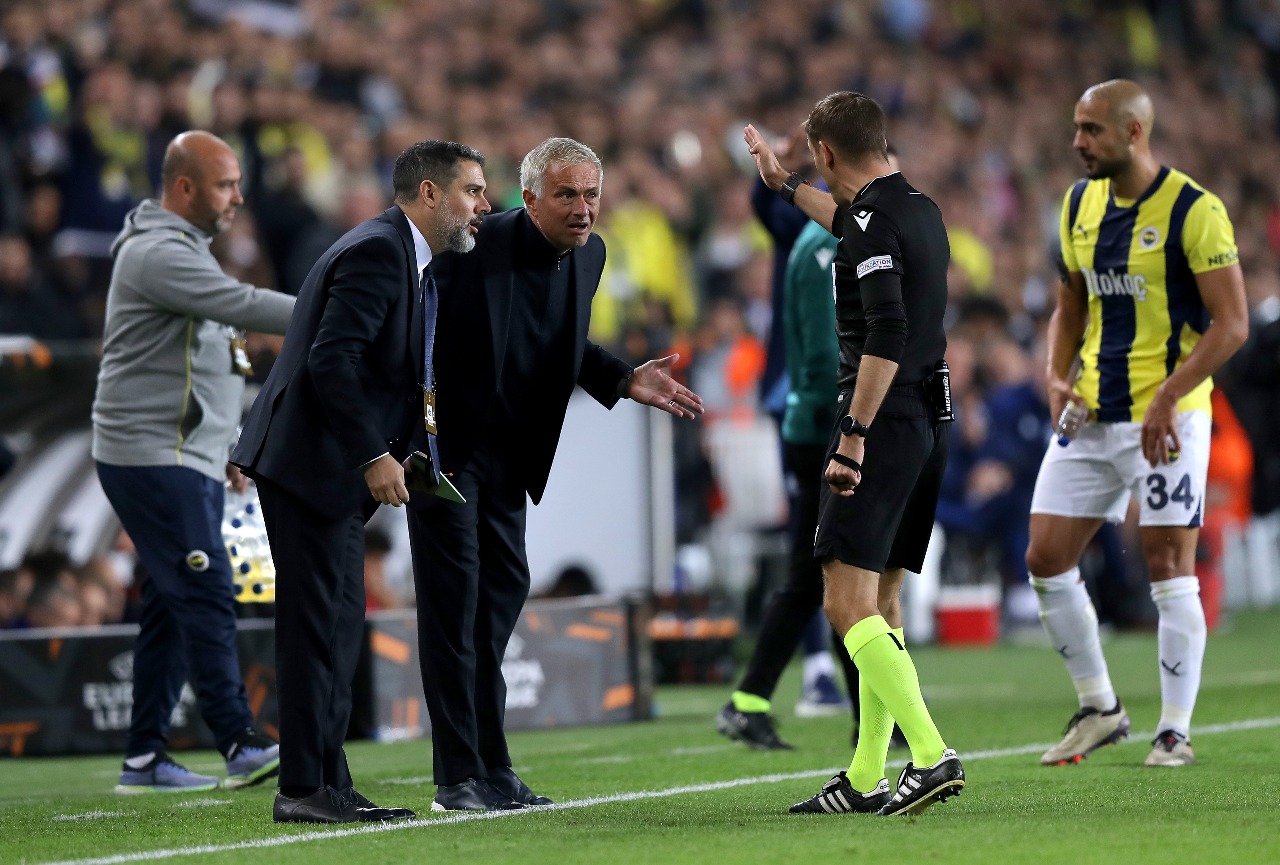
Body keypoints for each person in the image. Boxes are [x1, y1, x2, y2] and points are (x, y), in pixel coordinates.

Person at [408, 137, 703, 813]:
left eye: (591, 194)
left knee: (496, 607)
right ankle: (456, 777)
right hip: (448, 450)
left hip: (509, 459)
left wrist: (622, 378)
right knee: (455, 611)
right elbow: (413, 331)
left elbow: (559, 342)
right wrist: (403, 438)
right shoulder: (470, 244)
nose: (582, 208)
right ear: (530, 196)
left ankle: (494, 767)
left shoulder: (590, 255)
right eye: (566, 195)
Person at [232, 139, 491, 823]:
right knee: (320, 627)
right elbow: (333, 360)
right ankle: (304, 787)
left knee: (337, 626)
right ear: (429, 193)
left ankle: (328, 782)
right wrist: (372, 453)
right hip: (312, 464)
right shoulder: (380, 250)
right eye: (472, 191)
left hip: (321, 466)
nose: (483, 206)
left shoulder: (401, 253)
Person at [744, 92, 965, 817]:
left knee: (843, 601)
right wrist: (781, 185)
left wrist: (853, 434)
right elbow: (847, 222)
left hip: (883, 420)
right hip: (931, 418)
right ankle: (868, 773)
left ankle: (930, 754)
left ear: (828, 151)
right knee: (882, 602)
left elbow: (887, 330)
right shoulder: (917, 208)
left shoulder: (872, 222)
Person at [1025, 79, 1249, 768]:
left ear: (1134, 133)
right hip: (1092, 414)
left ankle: (1174, 729)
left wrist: (1168, 394)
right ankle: (1100, 707)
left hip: (1169, 418)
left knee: (1167, 565)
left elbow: (1232, 325)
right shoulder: (1077, 204)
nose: (1077, 142)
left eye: (1091, 129)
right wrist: (1056, 376)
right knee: (1045, 560)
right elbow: (1071, 304)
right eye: (1076, 126)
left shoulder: (1194, 211)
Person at [91, 130, 293, 794]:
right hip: (152, 456)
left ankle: (144, 758)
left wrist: (223, 443)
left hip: (185, 454)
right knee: (207, 587)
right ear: (184, 188)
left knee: (172, 602)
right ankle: (238, 738)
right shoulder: (158, 254)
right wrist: (339, 308)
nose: (238, 195)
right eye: (225, 183)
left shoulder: (184, 253)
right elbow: (243, 307)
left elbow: (209, 362)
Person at [718, 152, 901, 750]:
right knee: (847, 573)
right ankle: (869, 722)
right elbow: (829, 358)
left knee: (815, 573)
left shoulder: (823, 241)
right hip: (826, 427)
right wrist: (854, 428)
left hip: (816, 425)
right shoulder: (829, 246)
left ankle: (752, 700)